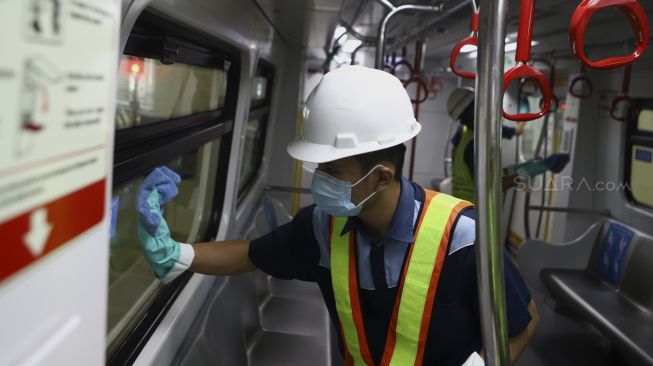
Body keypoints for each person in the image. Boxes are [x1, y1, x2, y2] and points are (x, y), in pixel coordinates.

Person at [137, 66, 539, 366]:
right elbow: (251, 254)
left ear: (381, 177)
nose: (319, 182)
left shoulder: (463, 238)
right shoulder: (323, 227)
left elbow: (524, 321)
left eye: (332, 172)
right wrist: (179, 255)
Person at [448, 87, 568, 202]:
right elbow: (492, 186)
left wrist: (527, 166)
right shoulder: (474, 144)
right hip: (473, 213)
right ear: (474, 111)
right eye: (481, 105)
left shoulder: (476, 135)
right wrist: (530, 171)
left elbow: (487, 175)